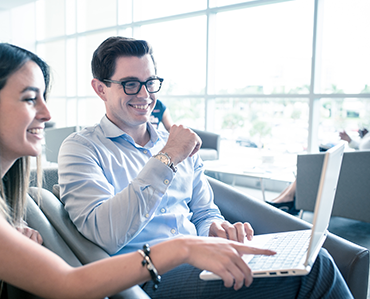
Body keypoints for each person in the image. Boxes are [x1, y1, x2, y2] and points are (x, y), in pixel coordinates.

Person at [0, 41, 280, 299]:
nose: (47, 114)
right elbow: (66, 285)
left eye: (44, 98)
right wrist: (184, 247)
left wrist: (3, 238)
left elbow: (204, 210)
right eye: (31, 99)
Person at [58, 36, 352, 298]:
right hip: (145, 276)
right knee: (317, 270)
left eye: (150, 83)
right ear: (100, 88)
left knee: (310, 258)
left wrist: (216, 228)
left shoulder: (176, 142)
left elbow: (203, 210)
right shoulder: (81, 148)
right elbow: (104, 235)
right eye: (130, 84)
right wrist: (167, 158)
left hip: (203, 258)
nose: (145, 95)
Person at [268, 127, 370, 211]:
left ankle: (287, 199)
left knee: (311, 166)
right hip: (360, 168)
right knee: (310, 166)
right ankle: (284, 198)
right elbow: (362, 148)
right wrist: (350, 140)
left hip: (362, 173)